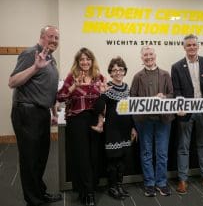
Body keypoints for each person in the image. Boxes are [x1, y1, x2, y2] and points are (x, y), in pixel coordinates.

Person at [9, 25, 62, 206]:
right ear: (42, 36)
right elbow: (12, 81)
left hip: (41, 113)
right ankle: (33, 200)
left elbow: (49, 88)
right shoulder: (30, 54)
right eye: (51, 36)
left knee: (40, 157)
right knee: (30, 158)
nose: (54, 40)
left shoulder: (51, 59)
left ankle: (40, 192)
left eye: (57, 38)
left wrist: (54, 112)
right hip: (26, 112)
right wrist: (34, 67)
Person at [171, 34, 203, 194]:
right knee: (183, 147)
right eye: (189, 45)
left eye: (194, 45)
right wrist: (179, 106)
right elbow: (177, 91)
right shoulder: (177, 66)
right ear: (184, 47)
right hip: (185, 112)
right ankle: (182, 180)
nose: (192, 47)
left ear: (198, 45)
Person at [57, 47, 106, 206]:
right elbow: (60, 97)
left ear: (92, 61)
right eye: (82, 59)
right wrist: (72, 87)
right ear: (78, 62)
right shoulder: (72, 77)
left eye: (88, 59)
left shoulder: (99, 77)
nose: (85, 62)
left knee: (93, 156)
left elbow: (102, 103)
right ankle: (88, 193)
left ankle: (89, 187)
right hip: (77, 119)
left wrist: (100, 119)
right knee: (82, 156)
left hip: (94, 119)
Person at [130, 46, 174, 197]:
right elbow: (132, 98)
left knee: (162, 153)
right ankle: (149, 183)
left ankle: (161, 183)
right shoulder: (137, 77)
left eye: (150, 54)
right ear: (141, 58)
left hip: (163, 120)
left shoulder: (165, 74)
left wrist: (165, 97)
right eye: (145, 55)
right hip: (144, 121)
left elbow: (172, 94)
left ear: (155, 56)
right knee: (147, 152)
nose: (148, 57)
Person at [93, 56, 137, 200]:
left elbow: (130, 111)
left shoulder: (126, 87)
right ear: (110, 73)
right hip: (112, 129)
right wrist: (102, 93)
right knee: (113, 160)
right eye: (114, 70)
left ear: (124, 71)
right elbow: (99, 108)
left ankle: (119, 185)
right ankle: (112, 187)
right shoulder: (108, 87)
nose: (118, 72)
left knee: (123, 160)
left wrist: (133, 128)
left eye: (121, 69)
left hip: (125, 129)